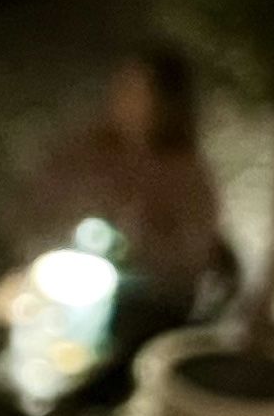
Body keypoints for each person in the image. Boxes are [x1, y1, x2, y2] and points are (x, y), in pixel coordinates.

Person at [14, 46, 229, 315]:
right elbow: (42, 199)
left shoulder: (186, 175)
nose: (123, 98)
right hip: (64, 292)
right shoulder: (87, 147)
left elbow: (187, 255)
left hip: (139, 308)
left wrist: (137, 243)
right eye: (123, 86)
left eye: (138, 91)